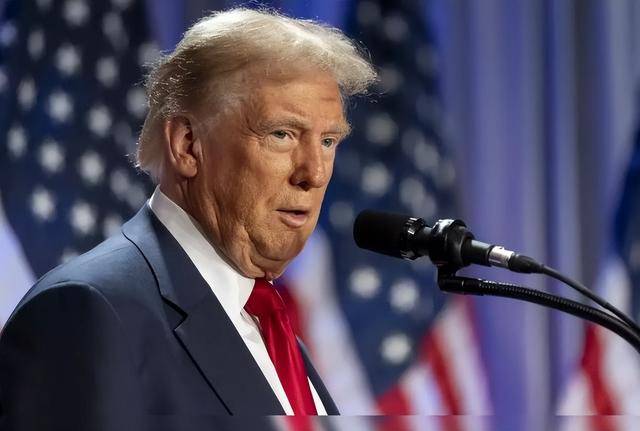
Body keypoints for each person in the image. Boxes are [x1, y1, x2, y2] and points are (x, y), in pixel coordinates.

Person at [0, 8, 376, 430]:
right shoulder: (88, 314)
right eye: (281, 134)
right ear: (186, 144)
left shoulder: (267, 325)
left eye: (327, 141)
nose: (315, 173)